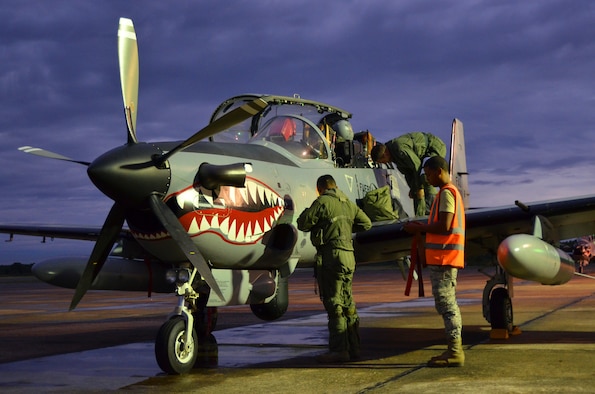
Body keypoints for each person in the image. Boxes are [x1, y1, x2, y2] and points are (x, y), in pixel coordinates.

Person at [297, 175, 372, 363]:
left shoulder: (322, 202)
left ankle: (339, 350)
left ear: (320, 188)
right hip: (349, 255)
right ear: (335, 186)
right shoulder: (348, 203)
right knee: (348, 302)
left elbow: (303, 223)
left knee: (334, 303)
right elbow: (366, 224)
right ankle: (354, 347)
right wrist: (345, 227)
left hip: (332, 255)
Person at [403, 156, 466, 367]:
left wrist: (419, 228)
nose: (427, 180)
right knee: (445, 304)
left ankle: (455, 352)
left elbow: (445, 225)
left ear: (439, 171)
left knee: (448, 305)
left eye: (429, 174)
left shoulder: (447, 193)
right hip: (443, 258)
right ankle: (453, 350)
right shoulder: (446, 194)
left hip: (445, 259)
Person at [371, 132, 446, 217]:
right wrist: (413, 189)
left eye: (382, 161)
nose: (384, 163)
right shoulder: (394, 156)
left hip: (433, 148)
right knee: (416, 191)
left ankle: (432, 213)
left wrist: (419, 188)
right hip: (420, 159)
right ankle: (420, 217)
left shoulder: (400, 150)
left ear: (385, 154)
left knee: (426, 178)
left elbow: (416, 165)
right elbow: (408, 173)